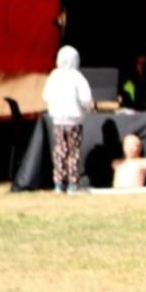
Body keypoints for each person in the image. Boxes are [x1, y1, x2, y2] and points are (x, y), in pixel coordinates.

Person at [42, 45, 92, 195]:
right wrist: (86, 110)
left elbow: (46, 96)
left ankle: (58, 183)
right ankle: (72, 184)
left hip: (58, 120)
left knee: (60, 151)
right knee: (73, 152)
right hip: (74, 121)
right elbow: (86, 99)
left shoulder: (54, 76)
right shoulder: (77, 77)